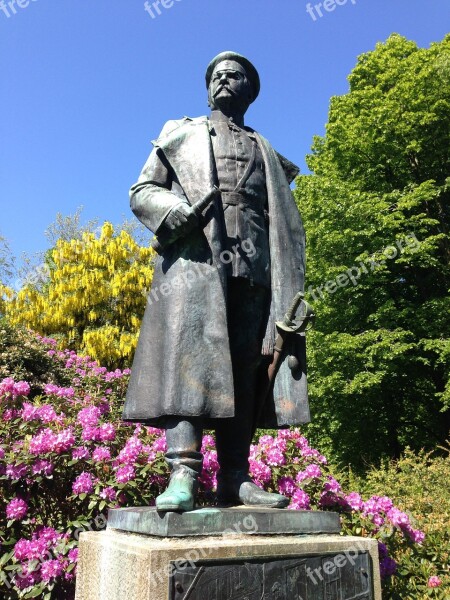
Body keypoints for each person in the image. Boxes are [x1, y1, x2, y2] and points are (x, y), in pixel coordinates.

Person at [123, 52, 310, 512]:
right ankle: (183, 473)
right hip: (198, 268)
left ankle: (235, 478)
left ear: (249, 90)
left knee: (248, 371)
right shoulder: (179, 133)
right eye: (218, 75)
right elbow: (142, 191)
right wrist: (177, 214)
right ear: (208, 88)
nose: (225, 79)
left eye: (236, 75)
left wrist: (288, 291)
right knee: (189, 362)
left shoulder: (265, 151)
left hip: (256, 275)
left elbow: (283, 225)